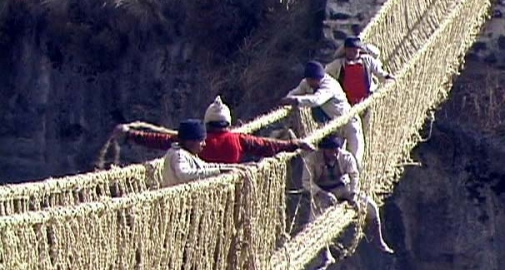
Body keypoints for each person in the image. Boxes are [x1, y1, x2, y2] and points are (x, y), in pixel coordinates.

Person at [113, 96, 315, 163]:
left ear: (207, 123)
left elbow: (160, 140)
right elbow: (267, 145)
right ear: (228, 122)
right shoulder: (238, 139)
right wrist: (295, 144)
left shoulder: (194, 140)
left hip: (200, 193)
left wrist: (131, 135)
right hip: (231, 193)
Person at [302, 135, 393, 270]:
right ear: (323, 150)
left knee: (371, 206)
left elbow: (354, 175)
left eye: (336, 150)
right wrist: (322, 193)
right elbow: (306, 182)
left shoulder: (346, 157)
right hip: (322, 193)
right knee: (314, 225)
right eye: (331, 151)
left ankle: (378, 239)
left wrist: (353, 195)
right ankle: (326, 255)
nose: (334, 154)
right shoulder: (311, 160)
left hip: (344, 189)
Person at [281, 61, 364, 167]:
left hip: (348, 123)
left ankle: (356, 179)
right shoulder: (306, 83)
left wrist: (295, 101)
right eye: (311, 80)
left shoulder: (329, 85)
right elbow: (296, 92)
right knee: (337, 160)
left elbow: (317, 100)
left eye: (316, 80)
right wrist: (287, 100)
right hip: (333, 127)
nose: (312, 82)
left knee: (355, 156)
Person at [161, 119, 241, 187]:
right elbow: (183, 174)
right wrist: (218, 171)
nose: (204, 144)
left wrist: (234, 167)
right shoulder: (178, 155)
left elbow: (205, 166)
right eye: (201, 140)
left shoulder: (187, 154)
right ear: (190, 141)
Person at [325, 36, 395, 106]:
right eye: (349, 50)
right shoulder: (339, 64)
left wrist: (388, 77)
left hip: (368, 100)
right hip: (348, 102)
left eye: (354, 50)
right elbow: (326, 73)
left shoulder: (367, 60)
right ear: (345, 50)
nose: (352, 53)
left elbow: (379, 72)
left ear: (359, 49)